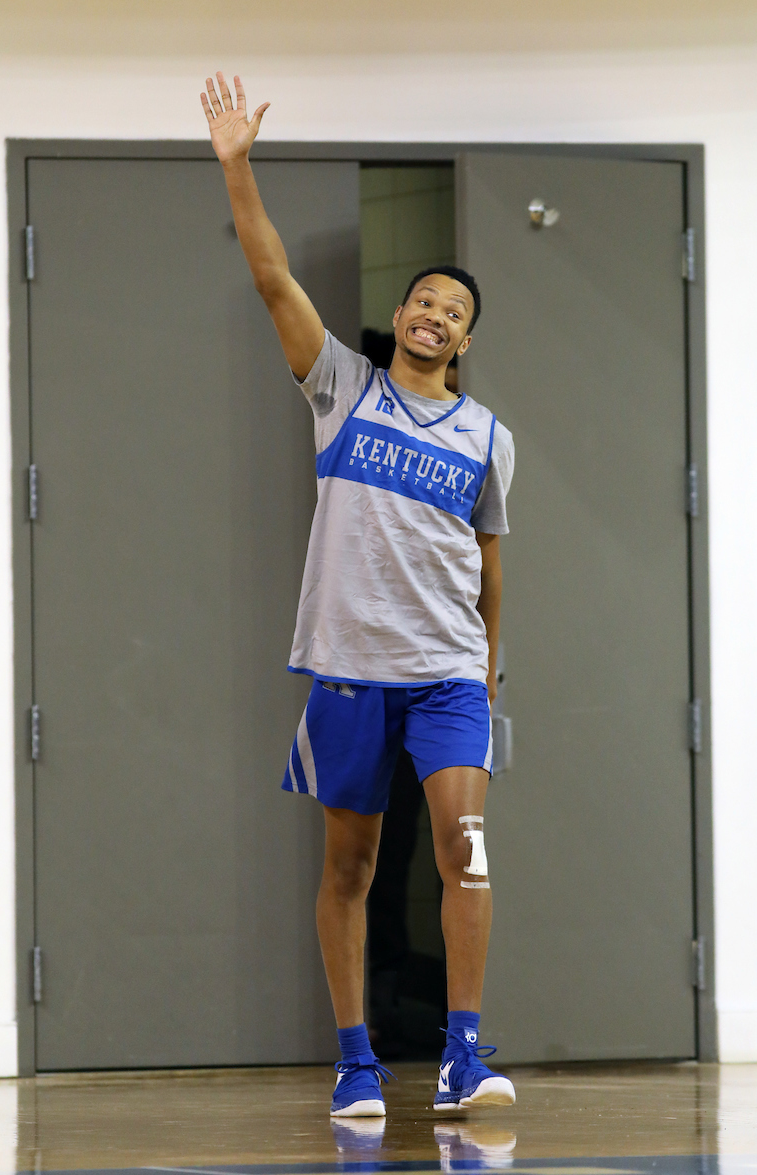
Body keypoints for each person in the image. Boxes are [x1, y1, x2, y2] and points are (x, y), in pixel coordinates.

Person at [201, 73, 516, 1118]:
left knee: (463, 852)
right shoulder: (341, 388)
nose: (435, 314)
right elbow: (272, 276)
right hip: (348, 671)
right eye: (424, 299)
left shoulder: (484, 438)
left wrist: (485, 663)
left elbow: (489, 563)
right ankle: (353, 1062)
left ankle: (462, 1057)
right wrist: (238, 167)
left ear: (465, 341)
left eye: (454, 310)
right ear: (399, 316)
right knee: (352, 866)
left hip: (446, 679)